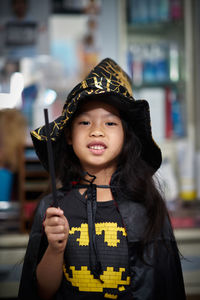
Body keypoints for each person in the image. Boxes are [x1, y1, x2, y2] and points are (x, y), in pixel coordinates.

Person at [18, 58, 186, 300]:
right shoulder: (52, 208)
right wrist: (55, 249)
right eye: (85, 122)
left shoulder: (146, 206)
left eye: (110, 122)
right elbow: (42, 292)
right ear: (68, 136)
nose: (97, 130)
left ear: (126, 137)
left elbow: (166, 286)